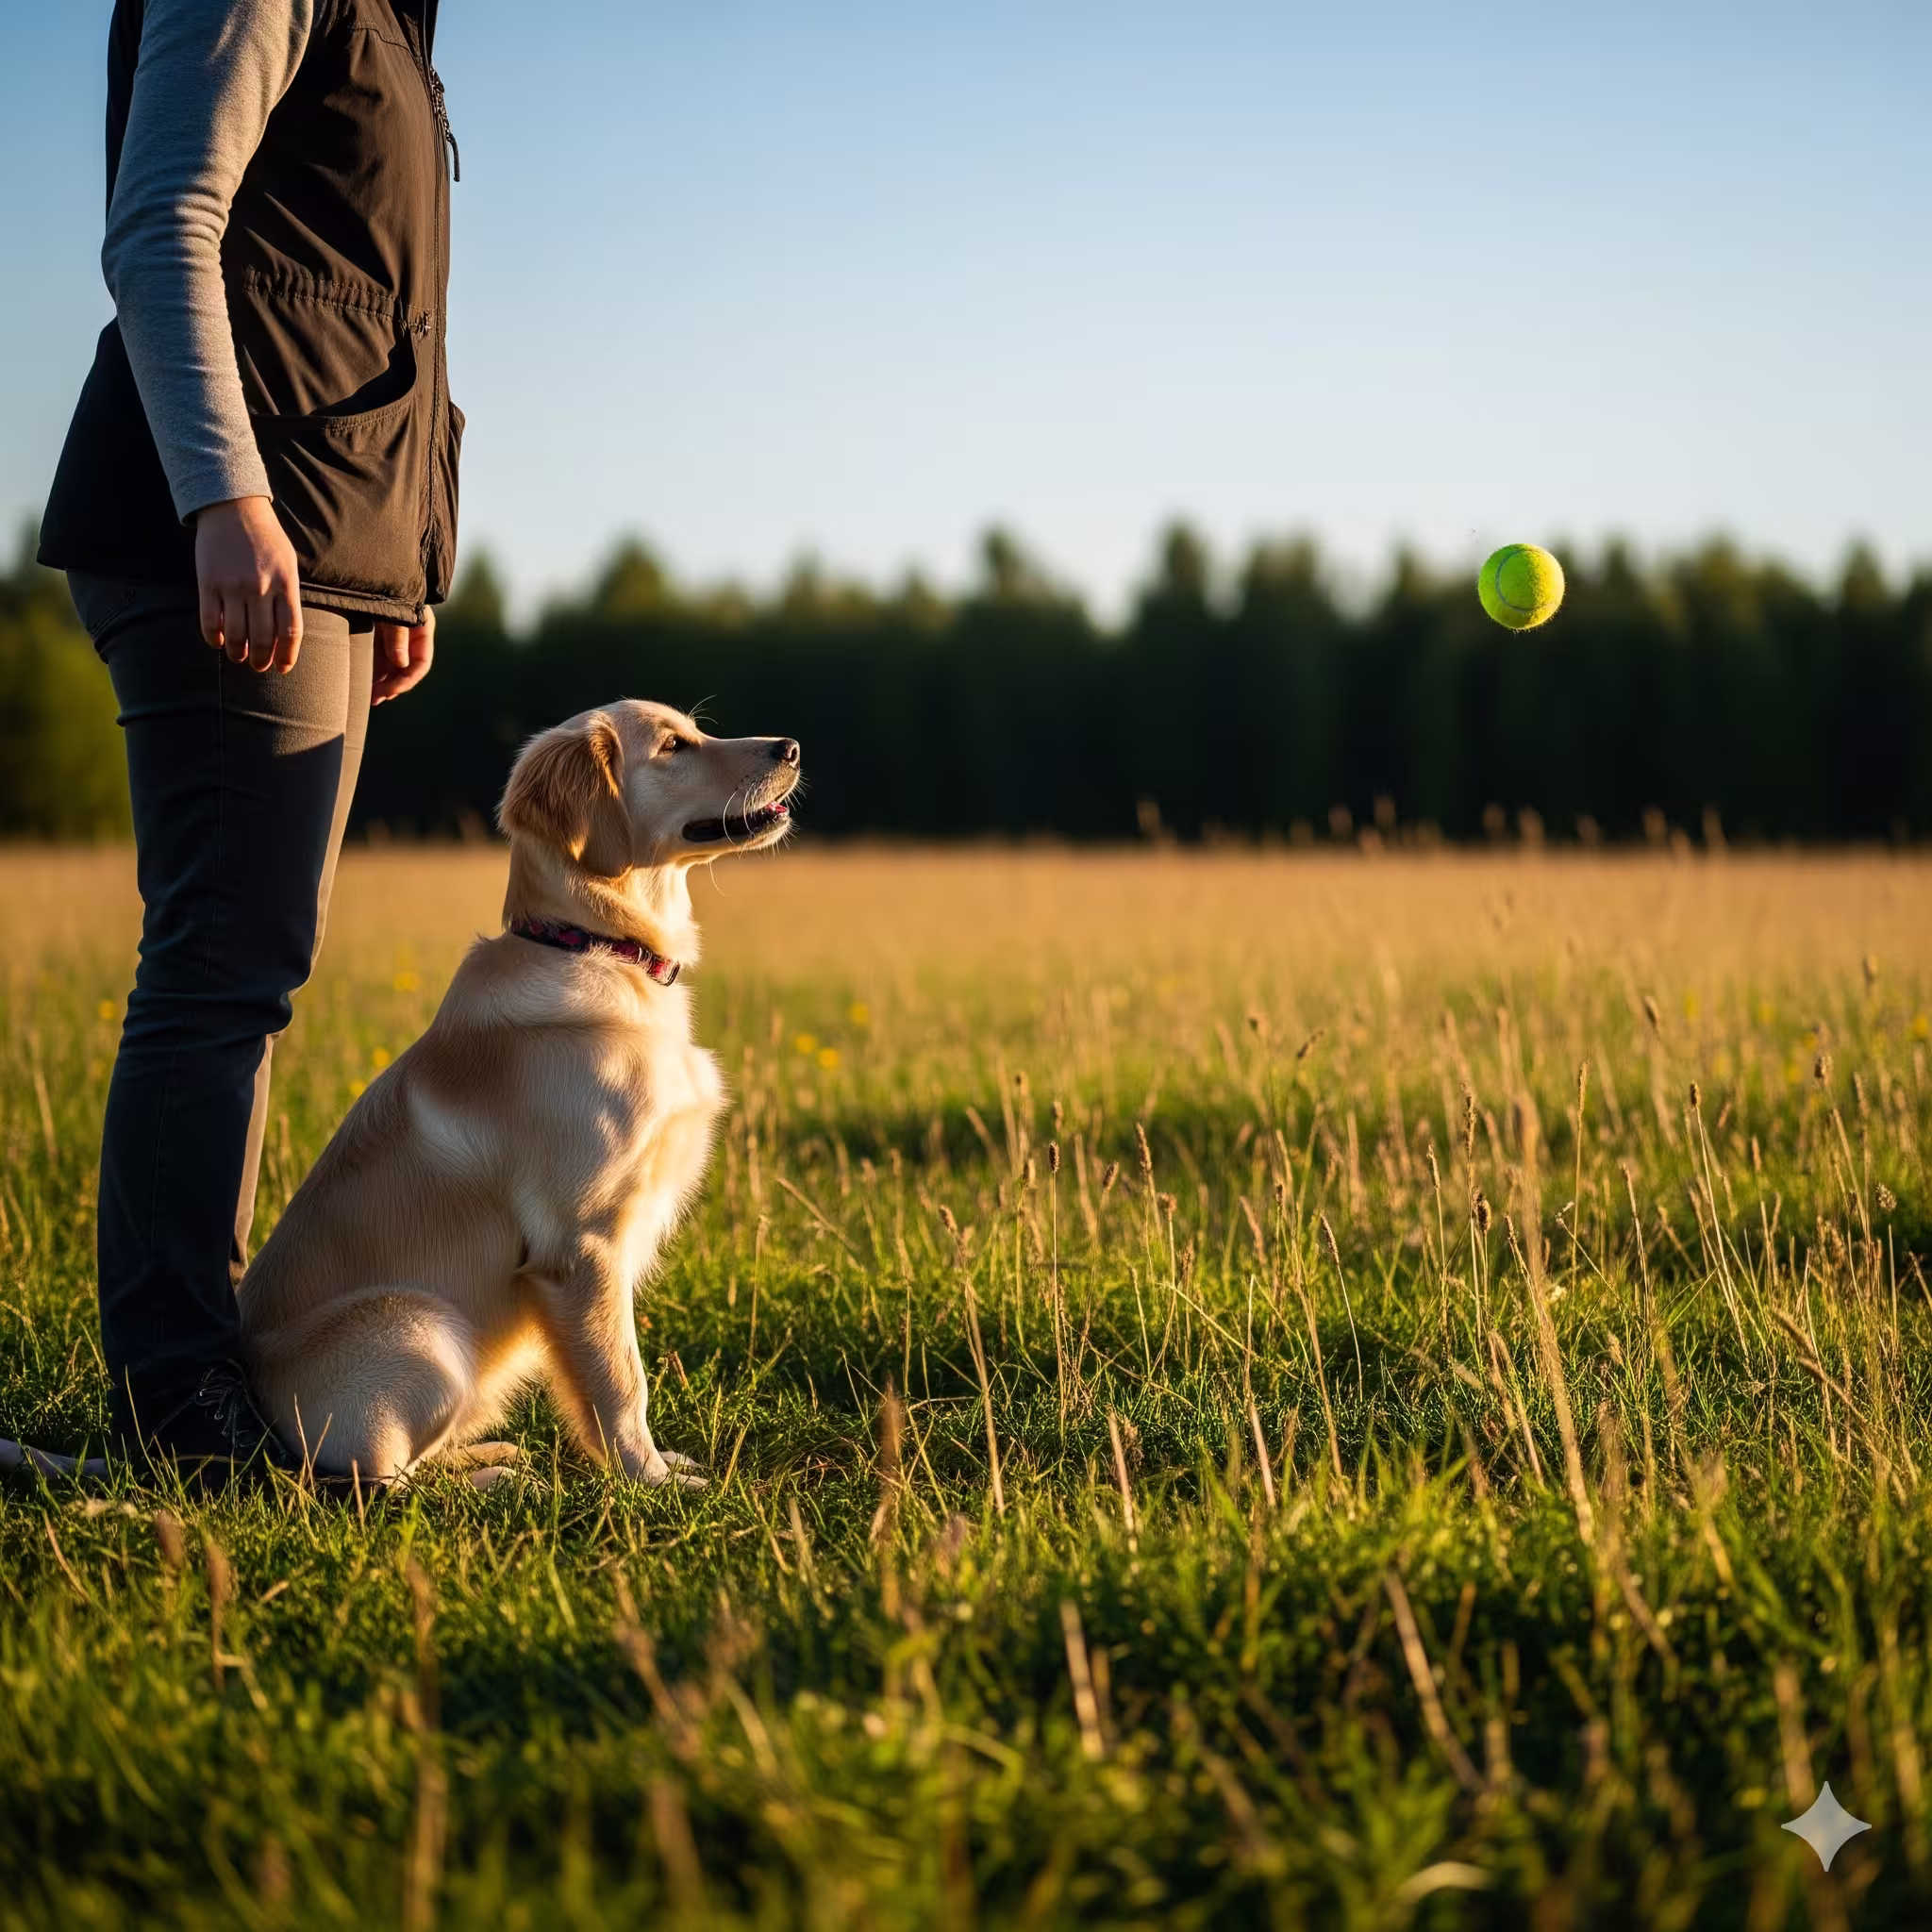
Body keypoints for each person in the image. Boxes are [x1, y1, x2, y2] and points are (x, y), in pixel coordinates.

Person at [38, 0, 461, 1476]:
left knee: (252, 960)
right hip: (220, 524)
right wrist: (224, 498)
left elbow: (377, 286)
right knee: (223, 960)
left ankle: (203, 1390)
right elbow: (161, 221)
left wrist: (409, 555)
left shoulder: (398, 22)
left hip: (324, 534)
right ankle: (180, 1418)